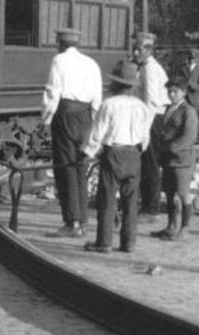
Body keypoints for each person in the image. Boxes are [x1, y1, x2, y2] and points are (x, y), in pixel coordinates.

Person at [81, 60, 152, 253]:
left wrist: (87, 153)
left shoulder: (109, 105)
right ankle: (128, 243)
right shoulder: (142, 106)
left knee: (107, 199)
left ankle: (104, 243)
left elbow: (97, 133)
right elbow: (146, 136)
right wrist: (137, 150)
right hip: (134, 154)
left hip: (114, 154)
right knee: (131, 201)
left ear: (116, 85)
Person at [42, 27, 103, 237]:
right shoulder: (92, 64)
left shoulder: (59, 61)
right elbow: (97, 97)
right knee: (80, 168)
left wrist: (47, 119)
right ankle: (83, 220)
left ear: (60, 43)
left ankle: (72, 222)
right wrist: (93, 122)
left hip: (65, 114)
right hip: (85, 116)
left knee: (65, 168)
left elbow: (53, 92)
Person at [150, 79, 199, 241]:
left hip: (182, 161)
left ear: (183, 93)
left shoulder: (188, 111)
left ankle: (185, 228)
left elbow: (189, 136)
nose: (171, 94)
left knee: (183, 194)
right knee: (170, 194)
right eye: (169, 91)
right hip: (168, 160)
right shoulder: (169, 109)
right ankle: (171, 226)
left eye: (175, 91)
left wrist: (172, 147)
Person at [130, 32, 170, 221]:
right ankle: (146, 204)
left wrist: (144, 131)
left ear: (149, 50)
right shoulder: (143, 67)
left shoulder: (150, 70)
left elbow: (151, 103)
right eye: (135, 49)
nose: (136, 52)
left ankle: (151, 209)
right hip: (147, 118)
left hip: (152, 119)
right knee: (145, 163)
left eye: (140, 49)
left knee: (151, 164)